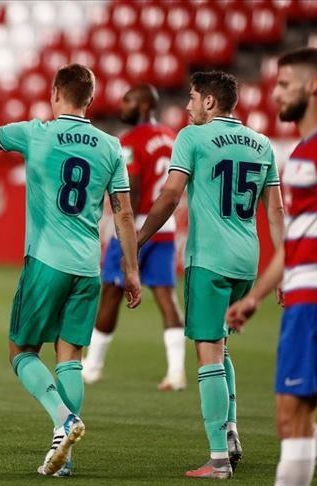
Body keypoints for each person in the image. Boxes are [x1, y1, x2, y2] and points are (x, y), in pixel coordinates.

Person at [0, 63, 141, 477]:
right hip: (87, 266)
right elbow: (123, 214)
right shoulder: (110, 146)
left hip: (46, 261)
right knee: (70, 358)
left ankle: (64, 420)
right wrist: (131, 270)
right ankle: (66, 457)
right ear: (90, 99)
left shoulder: (37, 132)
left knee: (21, 351)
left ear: (54, 93)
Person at [138, 71, 285, 479]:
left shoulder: (192, 138)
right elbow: (275, 210)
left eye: (191, 98)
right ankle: (231, 431)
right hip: (247, 262)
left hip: (209, 259)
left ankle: (218, 458)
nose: (186, 106)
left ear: (209, 101)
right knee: (222, 348)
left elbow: (171, 194)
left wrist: (140, 237)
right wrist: (282, 269)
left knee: (207, 354)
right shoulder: (262, 143)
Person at [226, 47, 317, 486]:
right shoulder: (300, 154)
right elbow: (295, 240)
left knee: (293, 417)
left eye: (284, 84)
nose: (275, 93)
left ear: (312, 85)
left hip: (312, 303)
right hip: (300, 298)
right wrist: (255, 297)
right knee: (292, 419)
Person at [83, 84, 186, 390]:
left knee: (111, 292)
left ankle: (92, 367)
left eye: (128, 100)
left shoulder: (130, 141)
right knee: (166, 296)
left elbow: (133, 186)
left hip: (135, 228)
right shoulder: (170, 137)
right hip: (164, 227)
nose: (122, 105)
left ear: (143, 106)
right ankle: (176, 372)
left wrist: (127, 228)